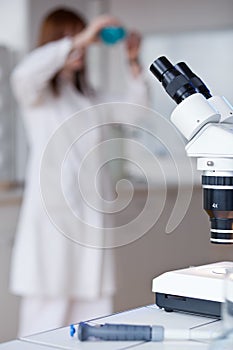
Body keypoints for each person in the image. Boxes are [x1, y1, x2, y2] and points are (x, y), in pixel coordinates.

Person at [10, 7, 148, 336]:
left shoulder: (88, 97)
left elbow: (136, 113)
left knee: (93, 319)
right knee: (45, 322)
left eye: (82, 38)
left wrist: (131, 61)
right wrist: (83, 37)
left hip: (90, 219)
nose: (80, 48)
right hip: (51, 222)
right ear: (52, 45)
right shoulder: (38, 95)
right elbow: (24, 74)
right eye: (68, 38)